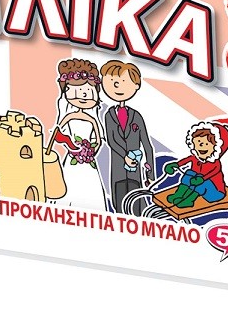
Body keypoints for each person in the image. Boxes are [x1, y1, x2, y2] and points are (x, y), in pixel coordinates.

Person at [52, 59, 106, 210]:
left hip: (88, 160)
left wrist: (92, 150)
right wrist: (70, 146)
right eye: (76, 91)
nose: (83, 96)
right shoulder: (69, 116)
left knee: (90, 185)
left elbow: (98, 139)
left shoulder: (92, 119)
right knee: (69, 182)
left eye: (89, 91)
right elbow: (57, 133)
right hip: (72, 158)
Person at [101, 61, 154, 212]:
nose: (117, 86)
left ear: (136, 86)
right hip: (117, 167)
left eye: (124, 81)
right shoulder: (109, 115)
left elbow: (147, 144)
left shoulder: (136, 116)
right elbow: (111, 140)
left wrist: (150, 173)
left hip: (135, 171)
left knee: (136, 202)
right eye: (112, 82)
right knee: (119, 203)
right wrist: (125, 157)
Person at [164, 122, 228, 208]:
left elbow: (212, 174)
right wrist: (175, 165)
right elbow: (185, 161)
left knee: (201, 183)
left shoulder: (215, 163)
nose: (201, 147)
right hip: (199, 185)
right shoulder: (195, 158)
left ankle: (189, 200)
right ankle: (178, 195)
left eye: (206, 144)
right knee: (189, 173)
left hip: (215, 193)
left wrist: (202, 179)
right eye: (198, 143)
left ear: (217, 147)